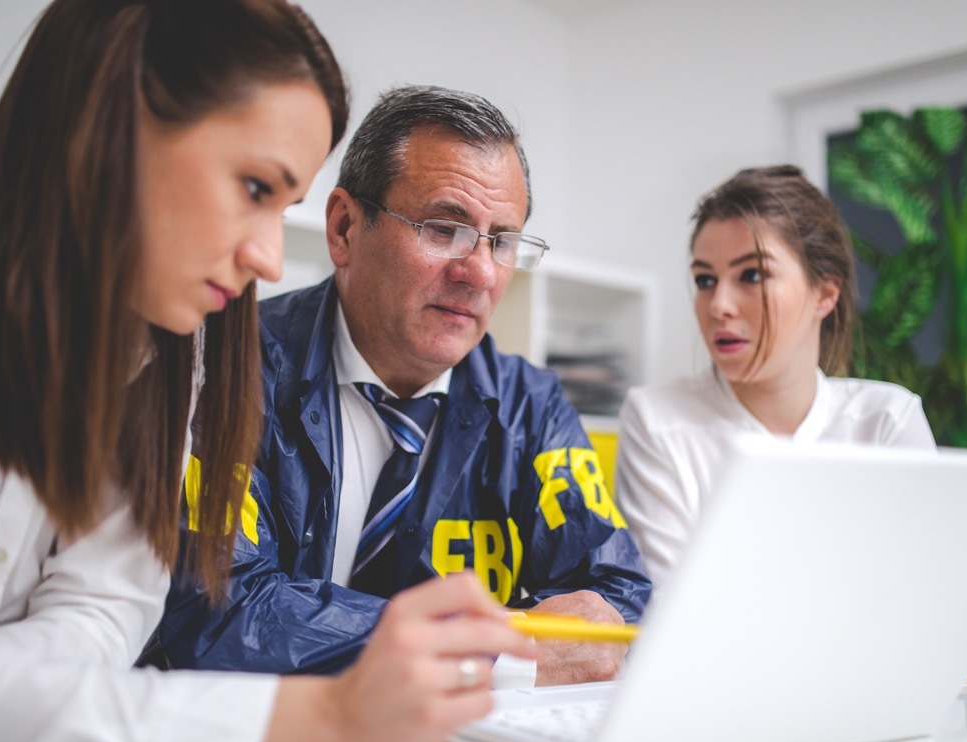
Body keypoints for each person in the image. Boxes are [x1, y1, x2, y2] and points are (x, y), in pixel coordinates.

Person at [0, 0, 537, 742]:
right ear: (110, 113)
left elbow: (103, 608)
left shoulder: (165, 338)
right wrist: (330, 722)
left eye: (502, 240)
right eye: (252, 186)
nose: (270, 259)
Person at [152, 85, 651, 688]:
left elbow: (614, 595)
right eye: (444, 228)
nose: (481, 273)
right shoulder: (229, 367)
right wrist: (493, 652)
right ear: (343, 228)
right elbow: (212, 606)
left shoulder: (531, 405)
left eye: (503, 241)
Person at [615, 165, 936, 588]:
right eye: (705, 280)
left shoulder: (886, 422)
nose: (719, 306)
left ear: (825, 294)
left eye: (752, 275)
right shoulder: (658, 420)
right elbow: (671, 620)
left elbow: (925, 593)